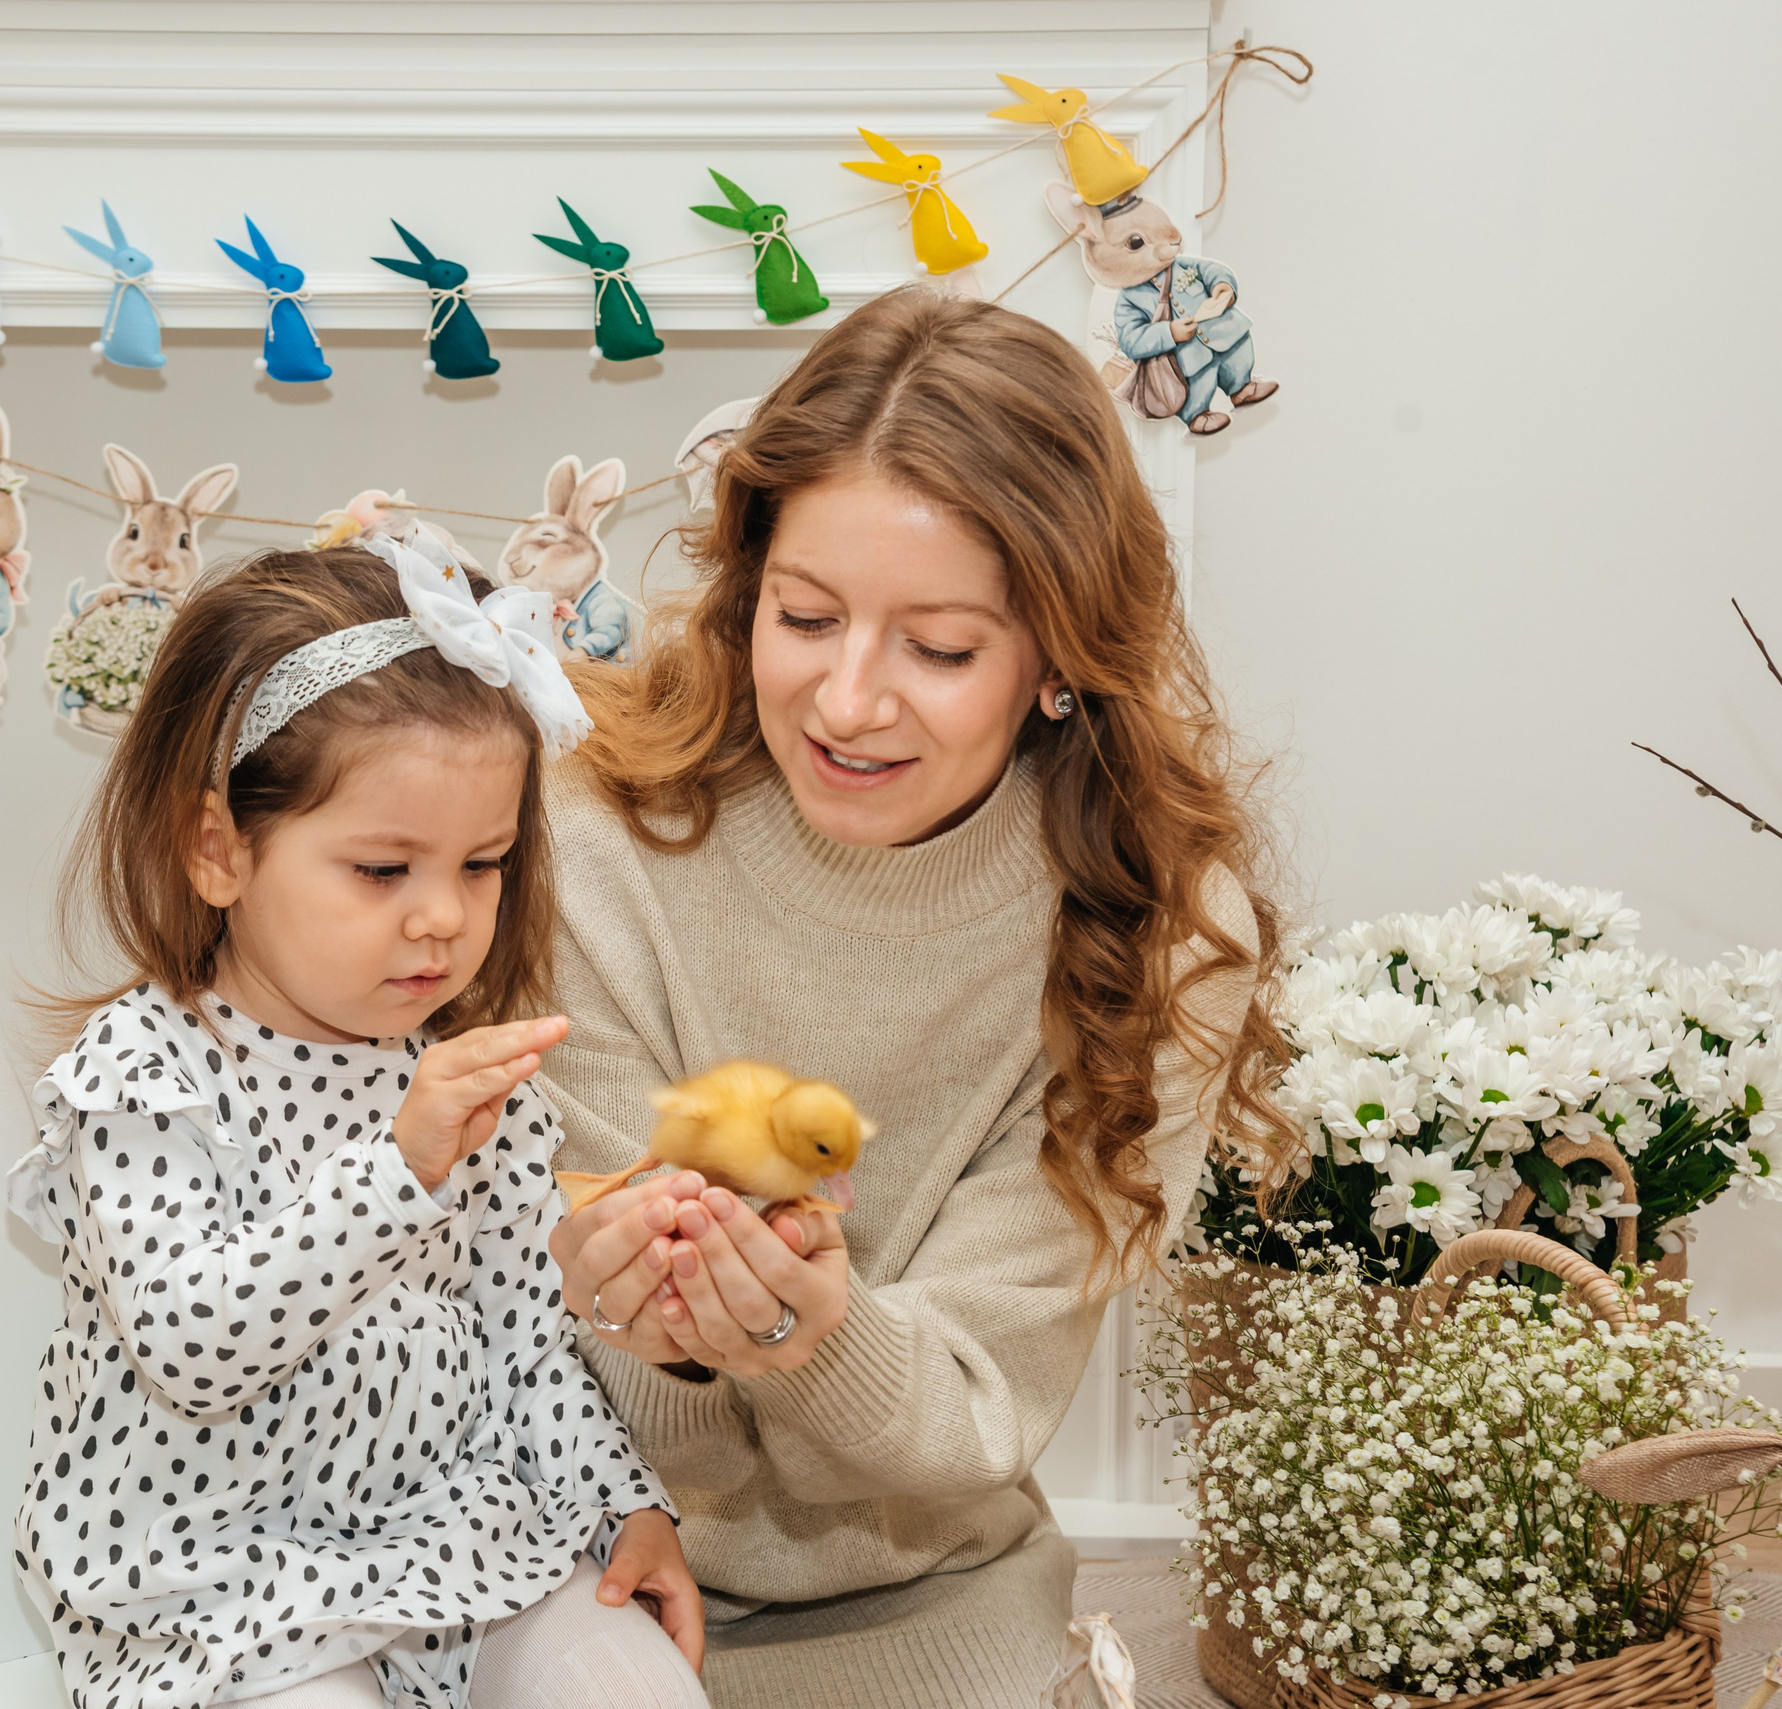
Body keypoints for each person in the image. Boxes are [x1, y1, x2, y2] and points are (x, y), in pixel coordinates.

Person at [542, 286, 1293, 1709]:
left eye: (940, 649)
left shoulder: (1166, 939)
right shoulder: (590, 840)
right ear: (745, 585)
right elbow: (592, 1384)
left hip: (933, 1598)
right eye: (805, 616)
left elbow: (975, 1403)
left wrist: (812, 1337)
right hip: (575, 1568)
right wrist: (651, 1327)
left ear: (1063, 654)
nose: (847, 699)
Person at [11, 535, 707, 1709]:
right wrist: (396, 1167)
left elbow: (525, 1337)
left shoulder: (469, 1083)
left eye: (481, 864)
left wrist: (625, 1499)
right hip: (216, 1575)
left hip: (452, 1532)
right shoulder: (140, 1073)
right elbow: (190, 1344)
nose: (442, 916)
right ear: (217, 848)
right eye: (383, 869)